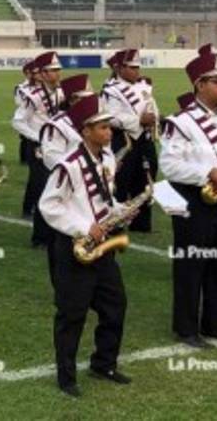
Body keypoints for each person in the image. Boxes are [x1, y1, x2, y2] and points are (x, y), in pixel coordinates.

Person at [38, 95, 130, 397]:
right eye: (102, 127)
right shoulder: (68, 166)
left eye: (108, 126)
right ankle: (66, 377)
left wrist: (121, 210)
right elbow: (49, 205)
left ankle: (104, 364)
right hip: (74, 248)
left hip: (103, 248)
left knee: (115, 305)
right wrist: (82, 227)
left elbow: (105, 199)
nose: (109, 132)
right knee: (72, 314)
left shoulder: (107, 160)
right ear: (86, 131)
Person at [158, 51, 217, 348]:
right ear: (200, 85)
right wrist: (207, 172)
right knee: (191, 266)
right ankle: (186, 329)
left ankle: (216, 325)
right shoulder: (180, 122)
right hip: (192, 199)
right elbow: (169, 165)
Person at [100, 49, 158, 232]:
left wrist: (154, 119)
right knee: (121, 181)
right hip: (124, 140)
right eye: (132, 68)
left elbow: (152, 109)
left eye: (137, 67)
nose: (136, 71)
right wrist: (138, 120)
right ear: (120, 69)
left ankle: (141, 223)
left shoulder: (144, 87)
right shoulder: (111, 90)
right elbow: (109, 116)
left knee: (146, 179)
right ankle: (116, 222)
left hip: (145, 139)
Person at [14, 52, 64, 246]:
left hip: (58, 146)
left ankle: (55, 232)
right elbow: (18, 121)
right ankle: (40, 237)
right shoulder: (33, 97)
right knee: (43, 188)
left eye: (58, 70)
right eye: (52, 71)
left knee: (58, 188)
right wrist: (38, 137)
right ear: (42, 74)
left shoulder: (61, 93)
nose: (57, 74)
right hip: (39, 147)